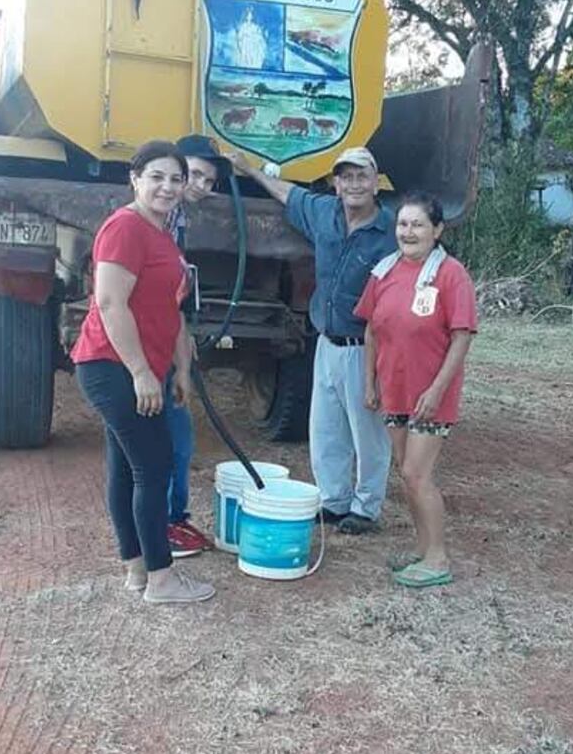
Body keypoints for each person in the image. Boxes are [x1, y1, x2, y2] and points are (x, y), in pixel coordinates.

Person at [72, 140, 215, 605]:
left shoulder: (162, 236)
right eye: (156, 176)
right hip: (111, 365)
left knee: (127, 470)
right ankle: (162, 578)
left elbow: (170, 311)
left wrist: (179, 369)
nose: (168, 187)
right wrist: (139, 371)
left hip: (137, 367)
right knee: (153, 468)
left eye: (176, 178)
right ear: (134, 178)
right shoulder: (125, 227)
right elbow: (110, 303)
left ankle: (136, 570)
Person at [232, 145, 396, 533]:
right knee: (326, 428)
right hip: (326, 340)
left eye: (362, 176)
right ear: (336, 185)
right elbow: (288, 193)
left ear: (376, 183)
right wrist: (250, 169)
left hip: (366, 346)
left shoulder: (392, 230)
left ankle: (367, 507)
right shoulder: (325, 213)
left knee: (368, 432)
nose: (354, 184)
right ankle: (334, 500)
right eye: (346, 177)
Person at [355, 191, 477, 587]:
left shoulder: (450, 273)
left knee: (416, 474)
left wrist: (437, 390)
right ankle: (423, 549)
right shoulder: (385, 271)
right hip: (395, 387)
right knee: (407, 476)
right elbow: (371, 329)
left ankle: (438, 557)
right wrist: (369, 382)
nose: (408, 232)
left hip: (430, 394)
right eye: (403, 224)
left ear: (437, 230)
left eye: (418, 224)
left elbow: (461, 336)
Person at [157, 134, 225, 557]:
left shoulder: (175, 219)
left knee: (178, 437)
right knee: (164, 441)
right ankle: (162, 525)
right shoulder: (148, 221)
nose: (201, 185)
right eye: (194, 175)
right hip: (148, 349)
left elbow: (173, 300)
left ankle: (172, 519)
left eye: (208, 180)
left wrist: (182, 350)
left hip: (167, 341)